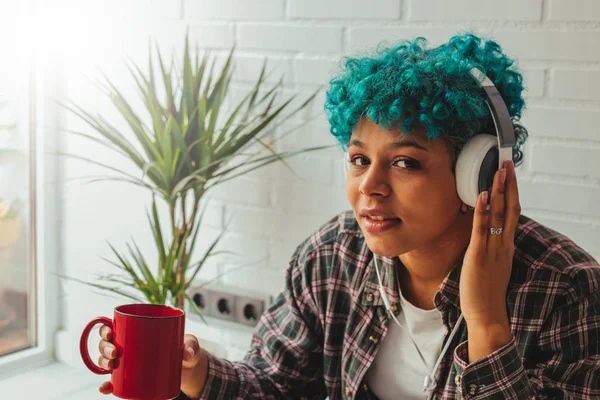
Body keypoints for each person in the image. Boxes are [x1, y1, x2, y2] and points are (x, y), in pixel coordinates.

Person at [96, 33, 600, 399]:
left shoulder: (566, 291)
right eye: (360, 159)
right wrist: (196, 371)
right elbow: (275, 384)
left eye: (405, 163)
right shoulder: (333, 255)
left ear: (479, 174)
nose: (369, 188)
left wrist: (488, 323)